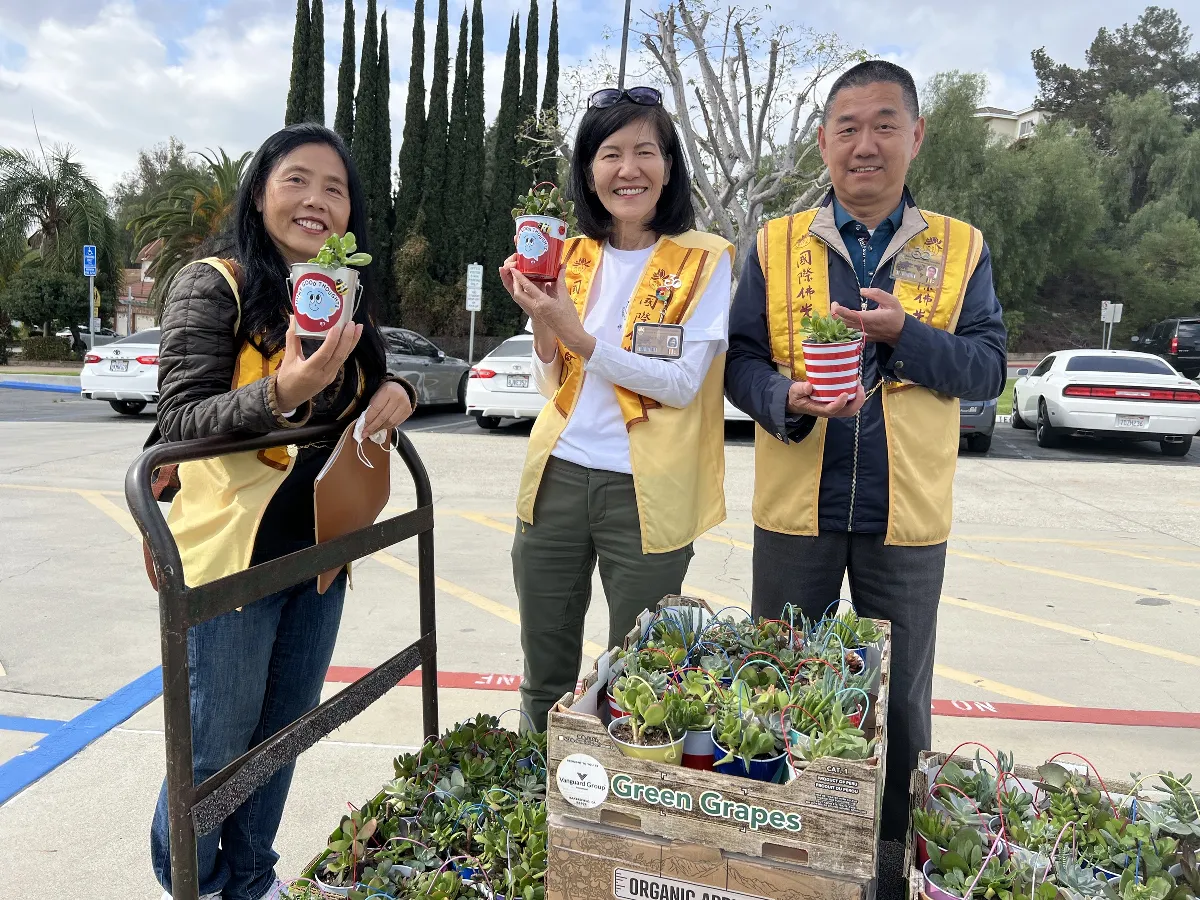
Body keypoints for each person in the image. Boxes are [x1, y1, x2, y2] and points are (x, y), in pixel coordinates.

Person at [724, 61, 1007, 844]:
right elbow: (738, 362)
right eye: (847, 128)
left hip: (908, 516)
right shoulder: (776, 243)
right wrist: (783, 399)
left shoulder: (960, 248)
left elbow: (987, 369)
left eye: (885, 124)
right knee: (776, 689)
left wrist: (905, 338)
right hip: (794, 513)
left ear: (917, 136)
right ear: (823, 142)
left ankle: (889, 860)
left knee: (902, 706)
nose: (866, 144)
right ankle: (780, 848)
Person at [148, 123, 416, 900]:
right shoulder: (214, 283)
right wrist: (280, 393)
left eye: (336, 189)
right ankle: (194, 884)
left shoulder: (344, 298)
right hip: (231, 560)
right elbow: (180, 420)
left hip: (320, 557)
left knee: (282, 737)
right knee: (212, 751)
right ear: (261, 192)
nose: (317, 201)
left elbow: (373, 385)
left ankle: (254, 880)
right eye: (297, 180)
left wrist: (398, 392)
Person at [500, 86, 734, 731]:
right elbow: (553, 381)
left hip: (646, 494)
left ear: (669, 165)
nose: (627, 169)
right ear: (588, 170)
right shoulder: (570, 255)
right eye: (609, 154)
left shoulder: (704, 259)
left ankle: (615, 820)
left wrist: (577, 335)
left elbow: (682, 383)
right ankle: (533, 809)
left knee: (637, 681)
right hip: (557, 480)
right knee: (543, 671)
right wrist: (543, 323)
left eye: (644, 152)